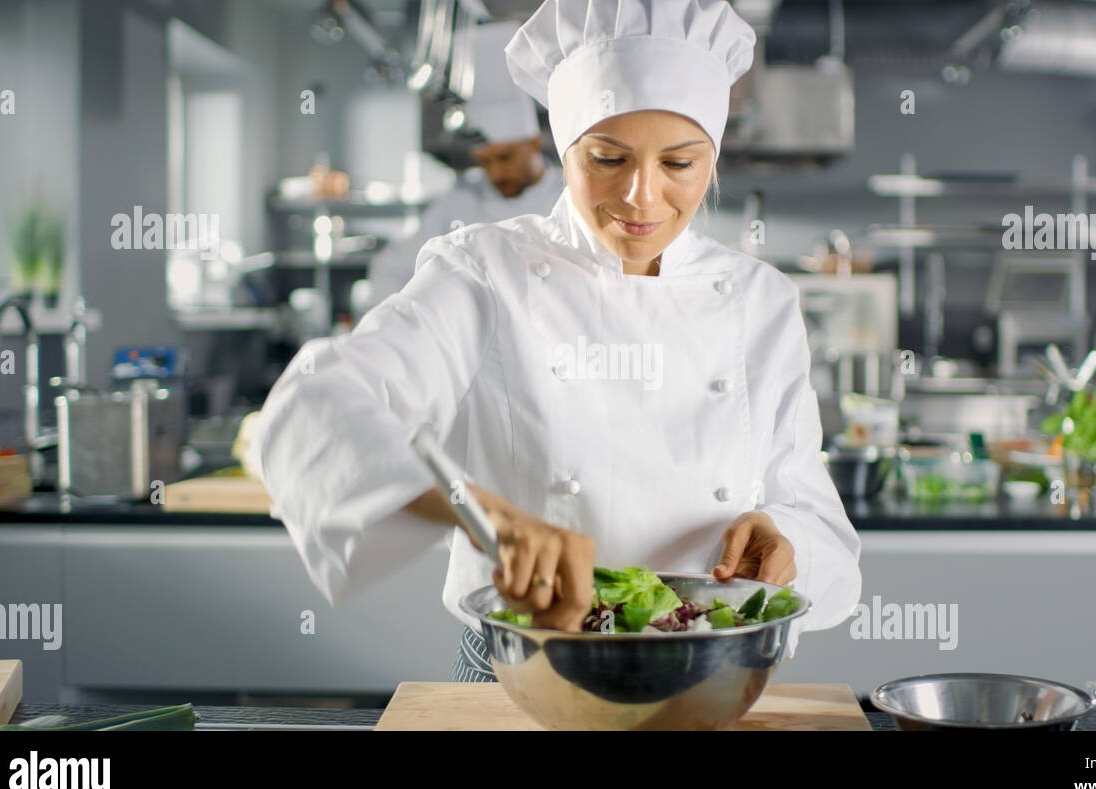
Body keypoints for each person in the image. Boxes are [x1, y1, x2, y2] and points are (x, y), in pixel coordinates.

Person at [251, 0, 862, 683]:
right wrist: (482, 513)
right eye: (607, 158)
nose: (641, 196)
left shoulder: (760, 300)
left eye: (680, 164)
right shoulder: (484, 270)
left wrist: (787, 541)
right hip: (525, 671)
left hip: (709, 668)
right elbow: (317, 407)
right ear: (561, 150)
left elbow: (814, 514)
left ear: (714, 159)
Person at [365, 19, 565, 303]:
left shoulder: (567, 197)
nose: (495, 172)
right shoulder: (459, 201)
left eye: (504, 157)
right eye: (484, 162)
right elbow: (391, 269)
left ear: (533, 143)